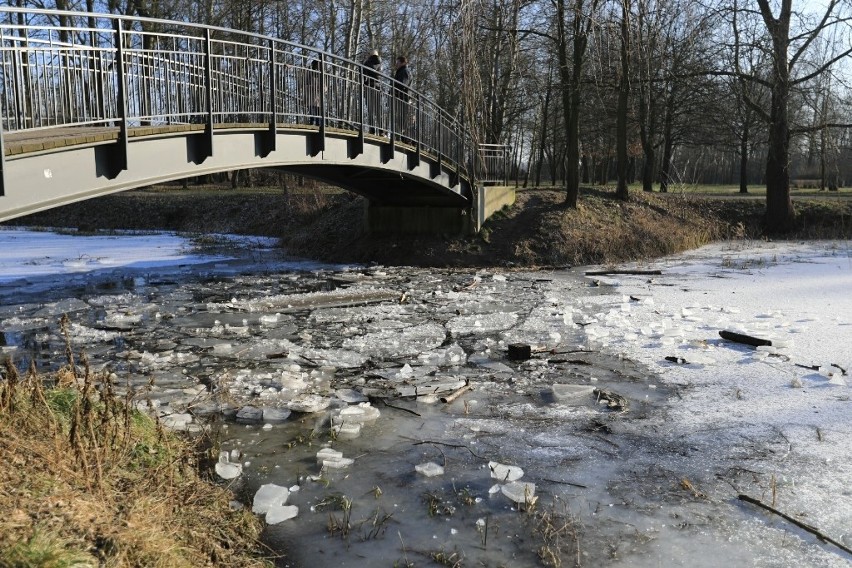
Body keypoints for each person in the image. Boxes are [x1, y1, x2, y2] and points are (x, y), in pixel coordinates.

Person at [362, 50, 382, 134]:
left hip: (369, 86)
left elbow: (365, 73)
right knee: (378, 110)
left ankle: (372, 128)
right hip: (377, 87)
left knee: (370, 109)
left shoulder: (368, 62)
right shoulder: (380, 63)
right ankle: (381, 130)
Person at [393, 56, 411, 138]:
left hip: (402, 98)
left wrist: (395, 92)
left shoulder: (404, 71)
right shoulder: (401, 71)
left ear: (403, 63)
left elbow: (402, 84)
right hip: (400, 97)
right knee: (399, 118)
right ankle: (399, 136)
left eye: (398, 62)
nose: (396, 64)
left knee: (401, 118)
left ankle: (400, 137)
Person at [301, 59, 322, 126]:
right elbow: (304, 84)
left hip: (318, 96)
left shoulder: (321, 74)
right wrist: (312, 87)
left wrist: (321, 88)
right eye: (317, 65)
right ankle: (312, 122)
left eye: (319, 65)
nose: (318, 67)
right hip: (310, 96)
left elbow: (325, 87)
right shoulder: (309, 73)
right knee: (311, 110)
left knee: (318, 111)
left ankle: (318, 124)